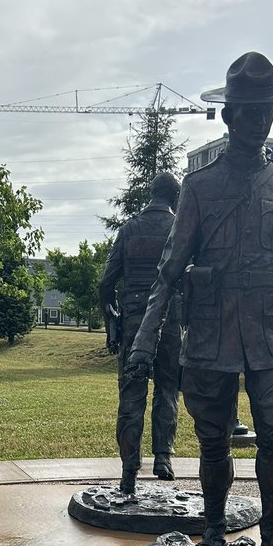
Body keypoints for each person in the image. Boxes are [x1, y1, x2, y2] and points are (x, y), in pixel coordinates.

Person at [126, 52, 273, 546]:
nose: (259, 120)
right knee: (212, 441)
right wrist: (143, 340)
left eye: (266, 109)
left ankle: (272, 544)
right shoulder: (200, 188)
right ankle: (211, 533)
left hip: (272, 332)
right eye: (249, 110)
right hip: (213, 331)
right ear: (229, 116)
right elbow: (168, 272)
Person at [98, 172, 182, 494]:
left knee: (131, 396)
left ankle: (129, 471)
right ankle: (163, 458)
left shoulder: (129, 229)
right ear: (175, 198)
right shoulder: (179, 230)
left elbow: (106, 283)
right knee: (168, 389)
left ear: (152, 194)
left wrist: (111, 316)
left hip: (134, 321)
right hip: (170, 320)